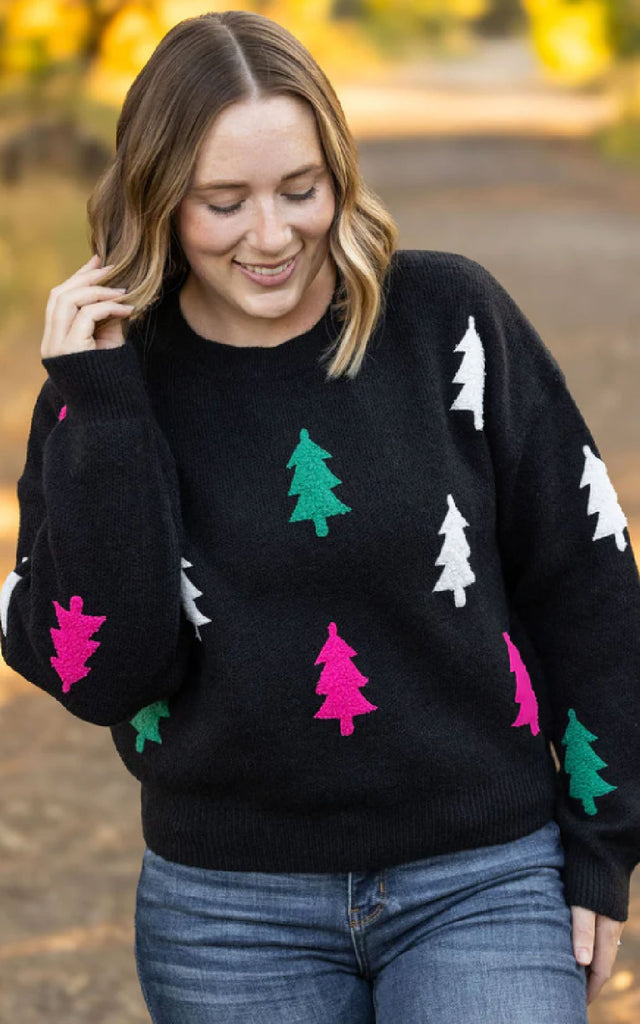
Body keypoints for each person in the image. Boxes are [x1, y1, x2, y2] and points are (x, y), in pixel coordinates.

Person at [1, 9, 639, 1023]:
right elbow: (103, 671)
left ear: (339, 175)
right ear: (156, 202)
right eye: (222, 202)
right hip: (225, 912)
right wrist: (105, 402)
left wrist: (603, 844)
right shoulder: (107, 392)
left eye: (301, 190)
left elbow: (586, 574)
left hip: (482, 879)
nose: (272, 234)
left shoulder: (447, 320)